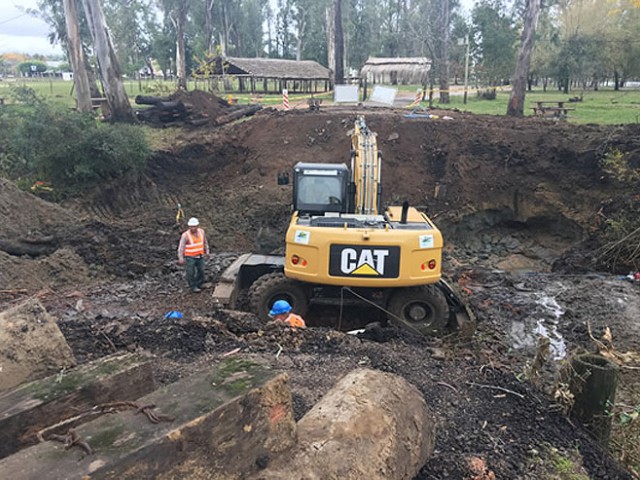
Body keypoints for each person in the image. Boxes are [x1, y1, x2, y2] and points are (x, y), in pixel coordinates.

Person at [177, 217, 210, 293]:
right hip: (190, 257)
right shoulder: (185, 235)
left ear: (197, 226)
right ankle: (192, 286)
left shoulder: (201, 232)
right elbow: (181, 247)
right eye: (191, 226)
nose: (193, 228)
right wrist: (180, 257)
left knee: (201, 270)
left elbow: (205, 242)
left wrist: (207, 251)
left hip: (200, 256)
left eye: (194, 226)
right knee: (190, 272)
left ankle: (199, 283)